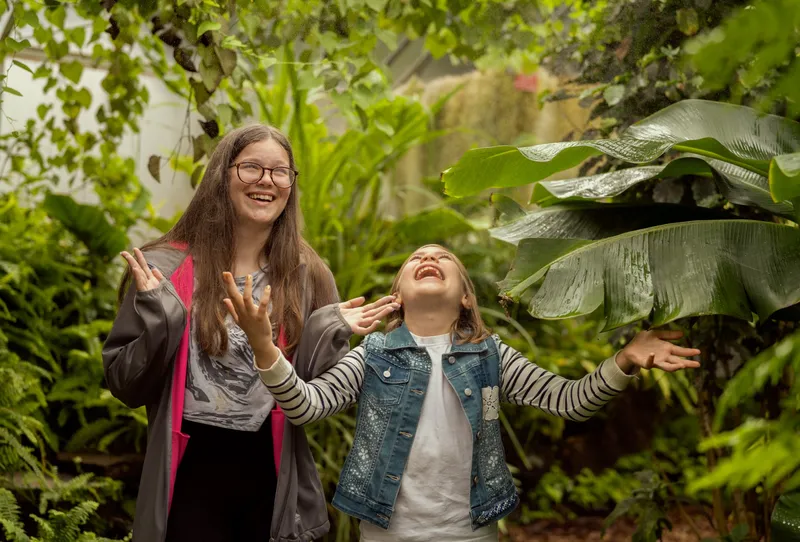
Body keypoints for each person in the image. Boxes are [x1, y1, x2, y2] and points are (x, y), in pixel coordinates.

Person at [226, 244, 702, 542]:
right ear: (397, 296)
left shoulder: (492, 356)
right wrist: (265, 346)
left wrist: (623, 361)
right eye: (416, 258)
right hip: (384, 529)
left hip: (469, 530)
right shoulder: (372, 353)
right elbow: (307, 407)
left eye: (442, 258)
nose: (428, 258)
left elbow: (570, 401)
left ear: (466, 297)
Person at [102, 125, 396, 542]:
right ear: (223, 175)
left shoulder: (308, 274)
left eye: (280, 172)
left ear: (291, 185)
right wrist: (159, 317)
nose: (266, 181)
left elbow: (318, 397)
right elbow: (124, 385)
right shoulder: (165, 269)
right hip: (189, 468)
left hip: (270, 470)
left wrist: (329, 330)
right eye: (251, 167)